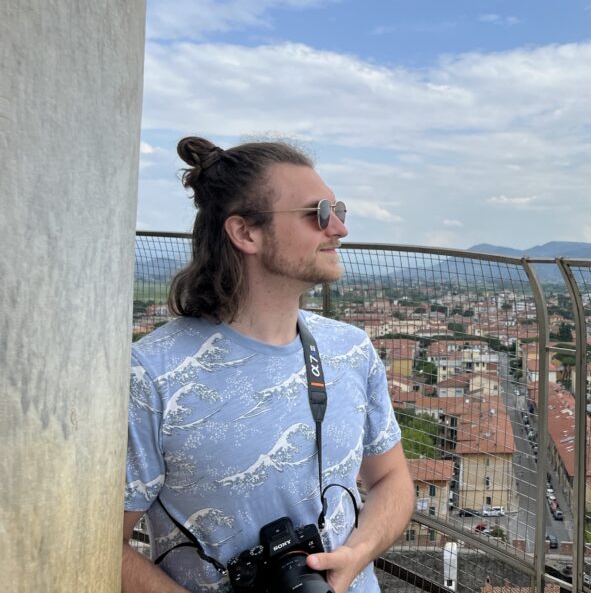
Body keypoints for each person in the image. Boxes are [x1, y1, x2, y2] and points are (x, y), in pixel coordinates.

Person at [123, 136, 414, 593]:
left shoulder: (351, 349)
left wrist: (356, 555)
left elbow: (392, 478)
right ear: (246, 233)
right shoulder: (151, 375)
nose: (338, 228)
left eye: (339, 210)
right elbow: (105, 542)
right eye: (318, 213)